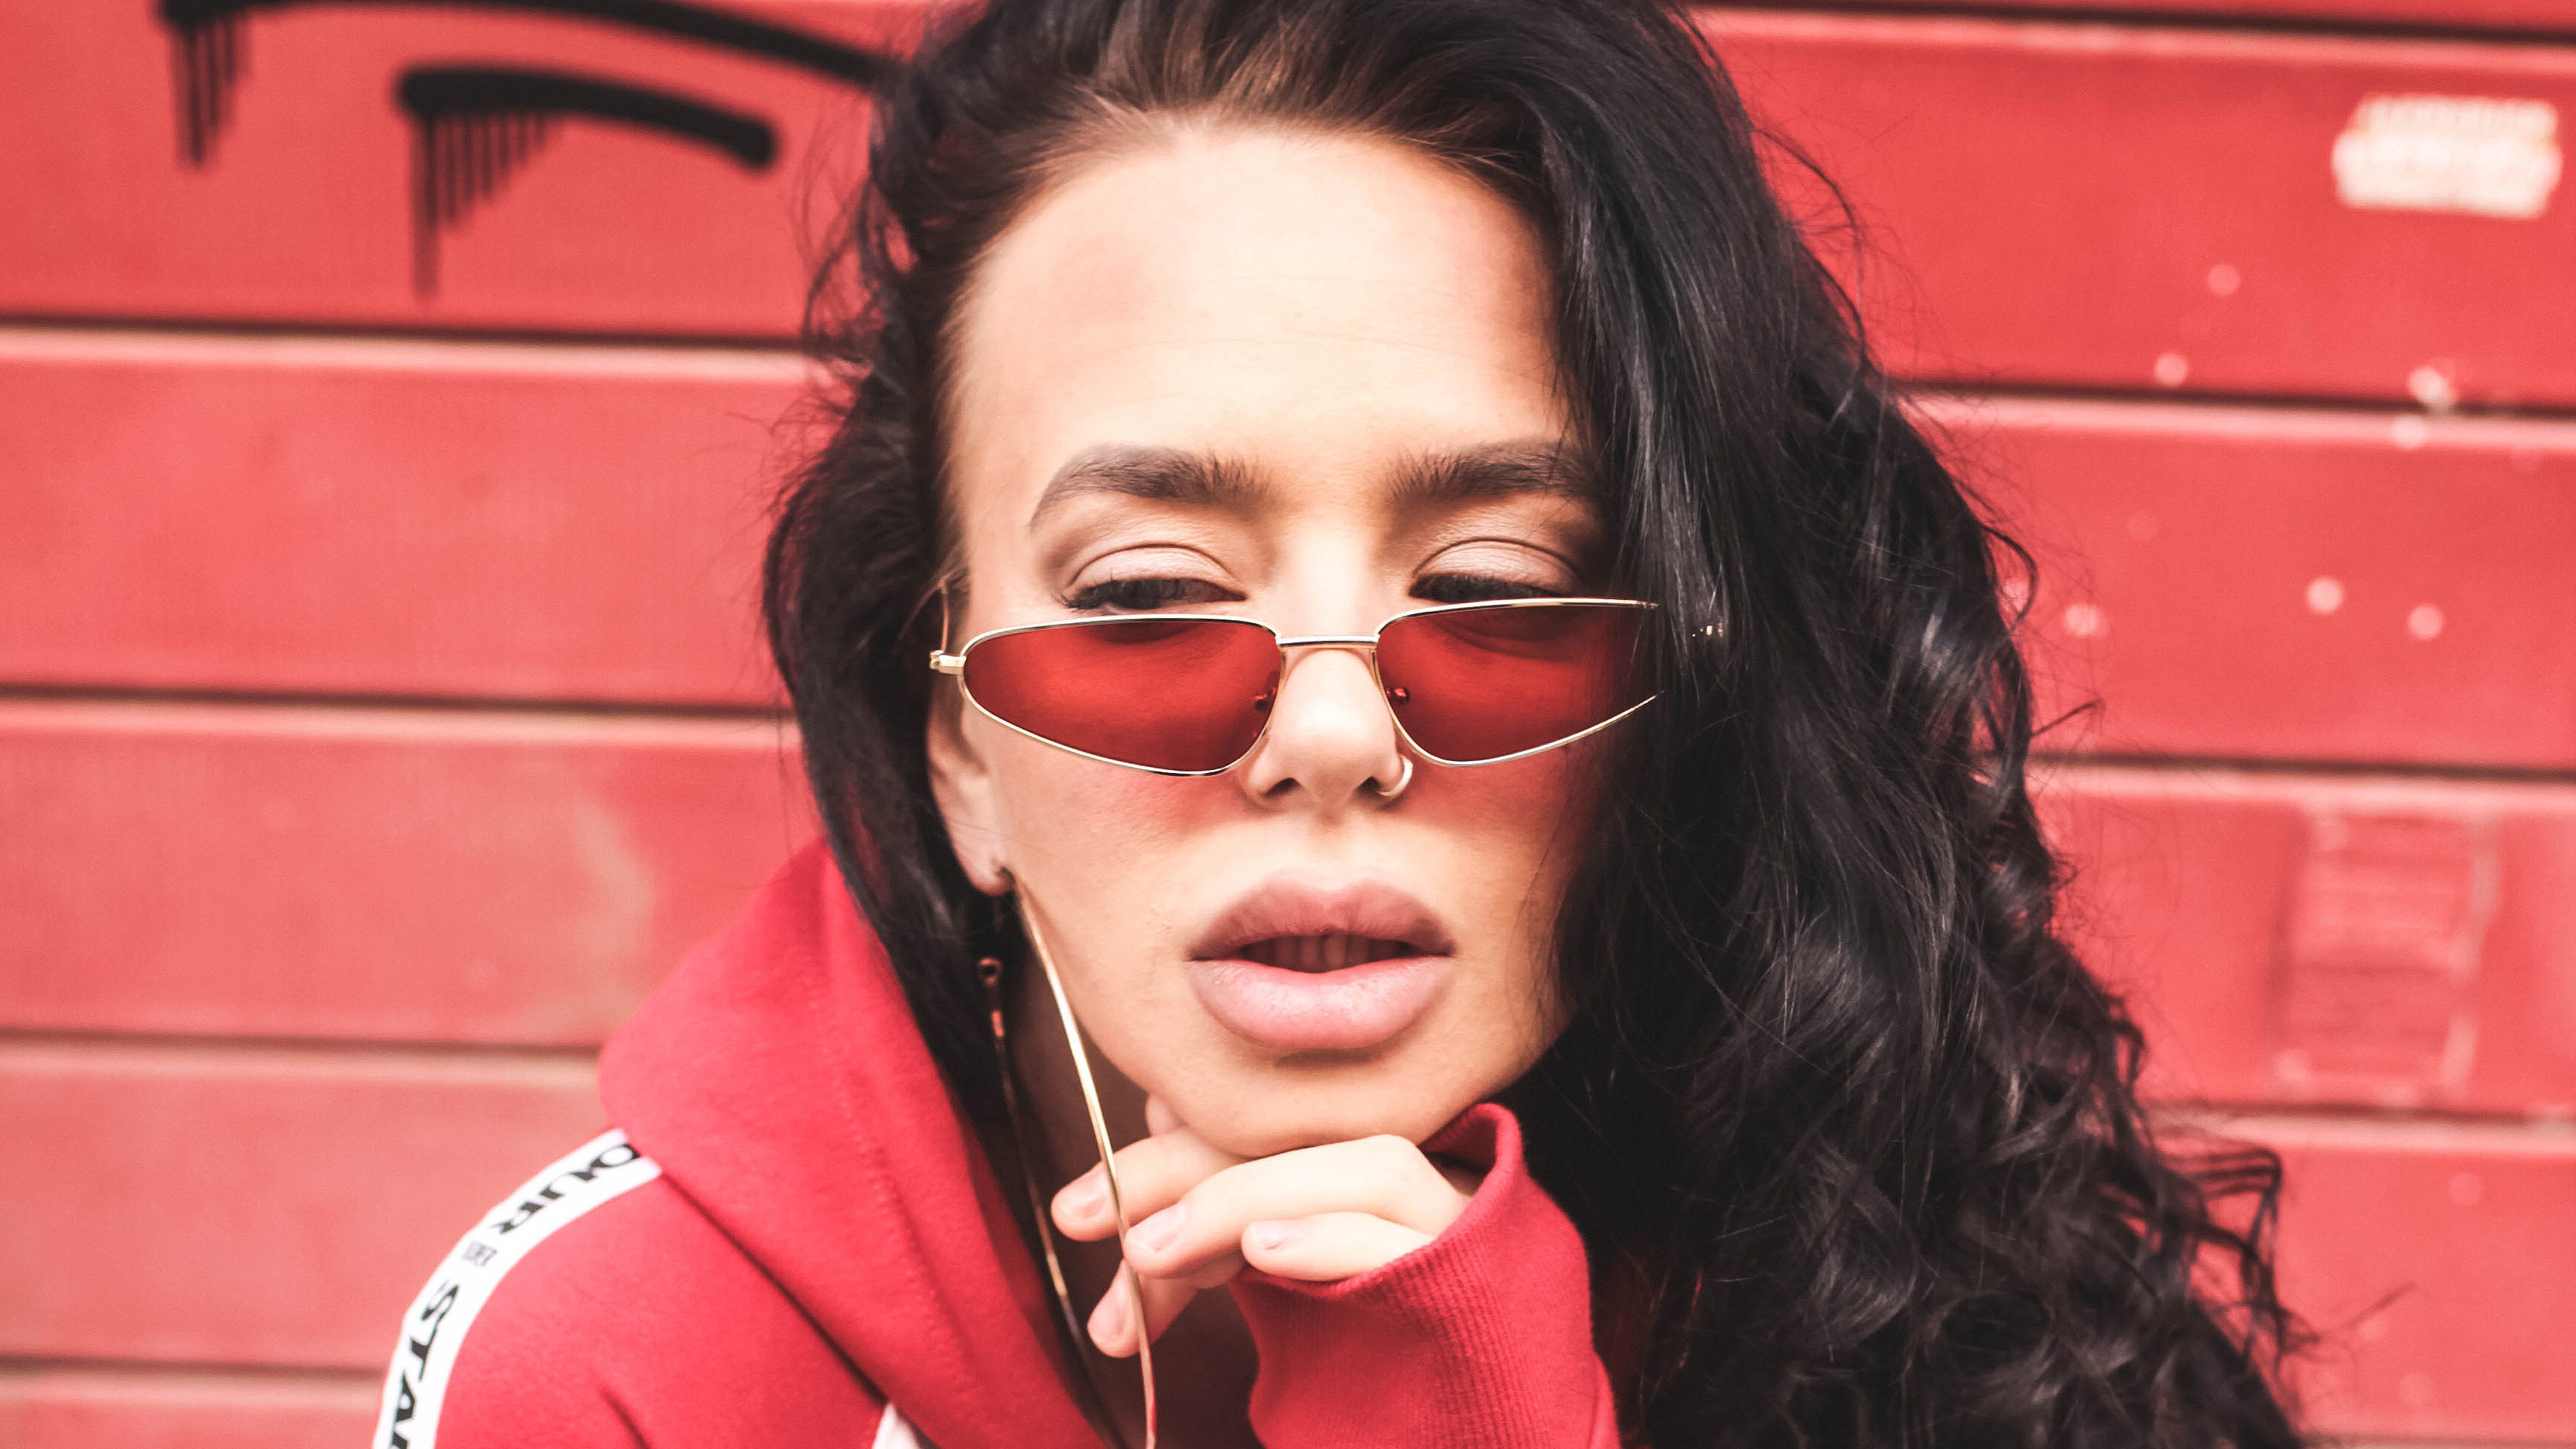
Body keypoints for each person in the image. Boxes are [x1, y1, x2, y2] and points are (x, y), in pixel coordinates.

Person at [374, 1, 2306, 1446]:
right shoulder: (625, 1368)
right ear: (956, 746)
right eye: (1146, 602)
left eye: (1499, 596)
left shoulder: (1846, 1247)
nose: (1327, 730)